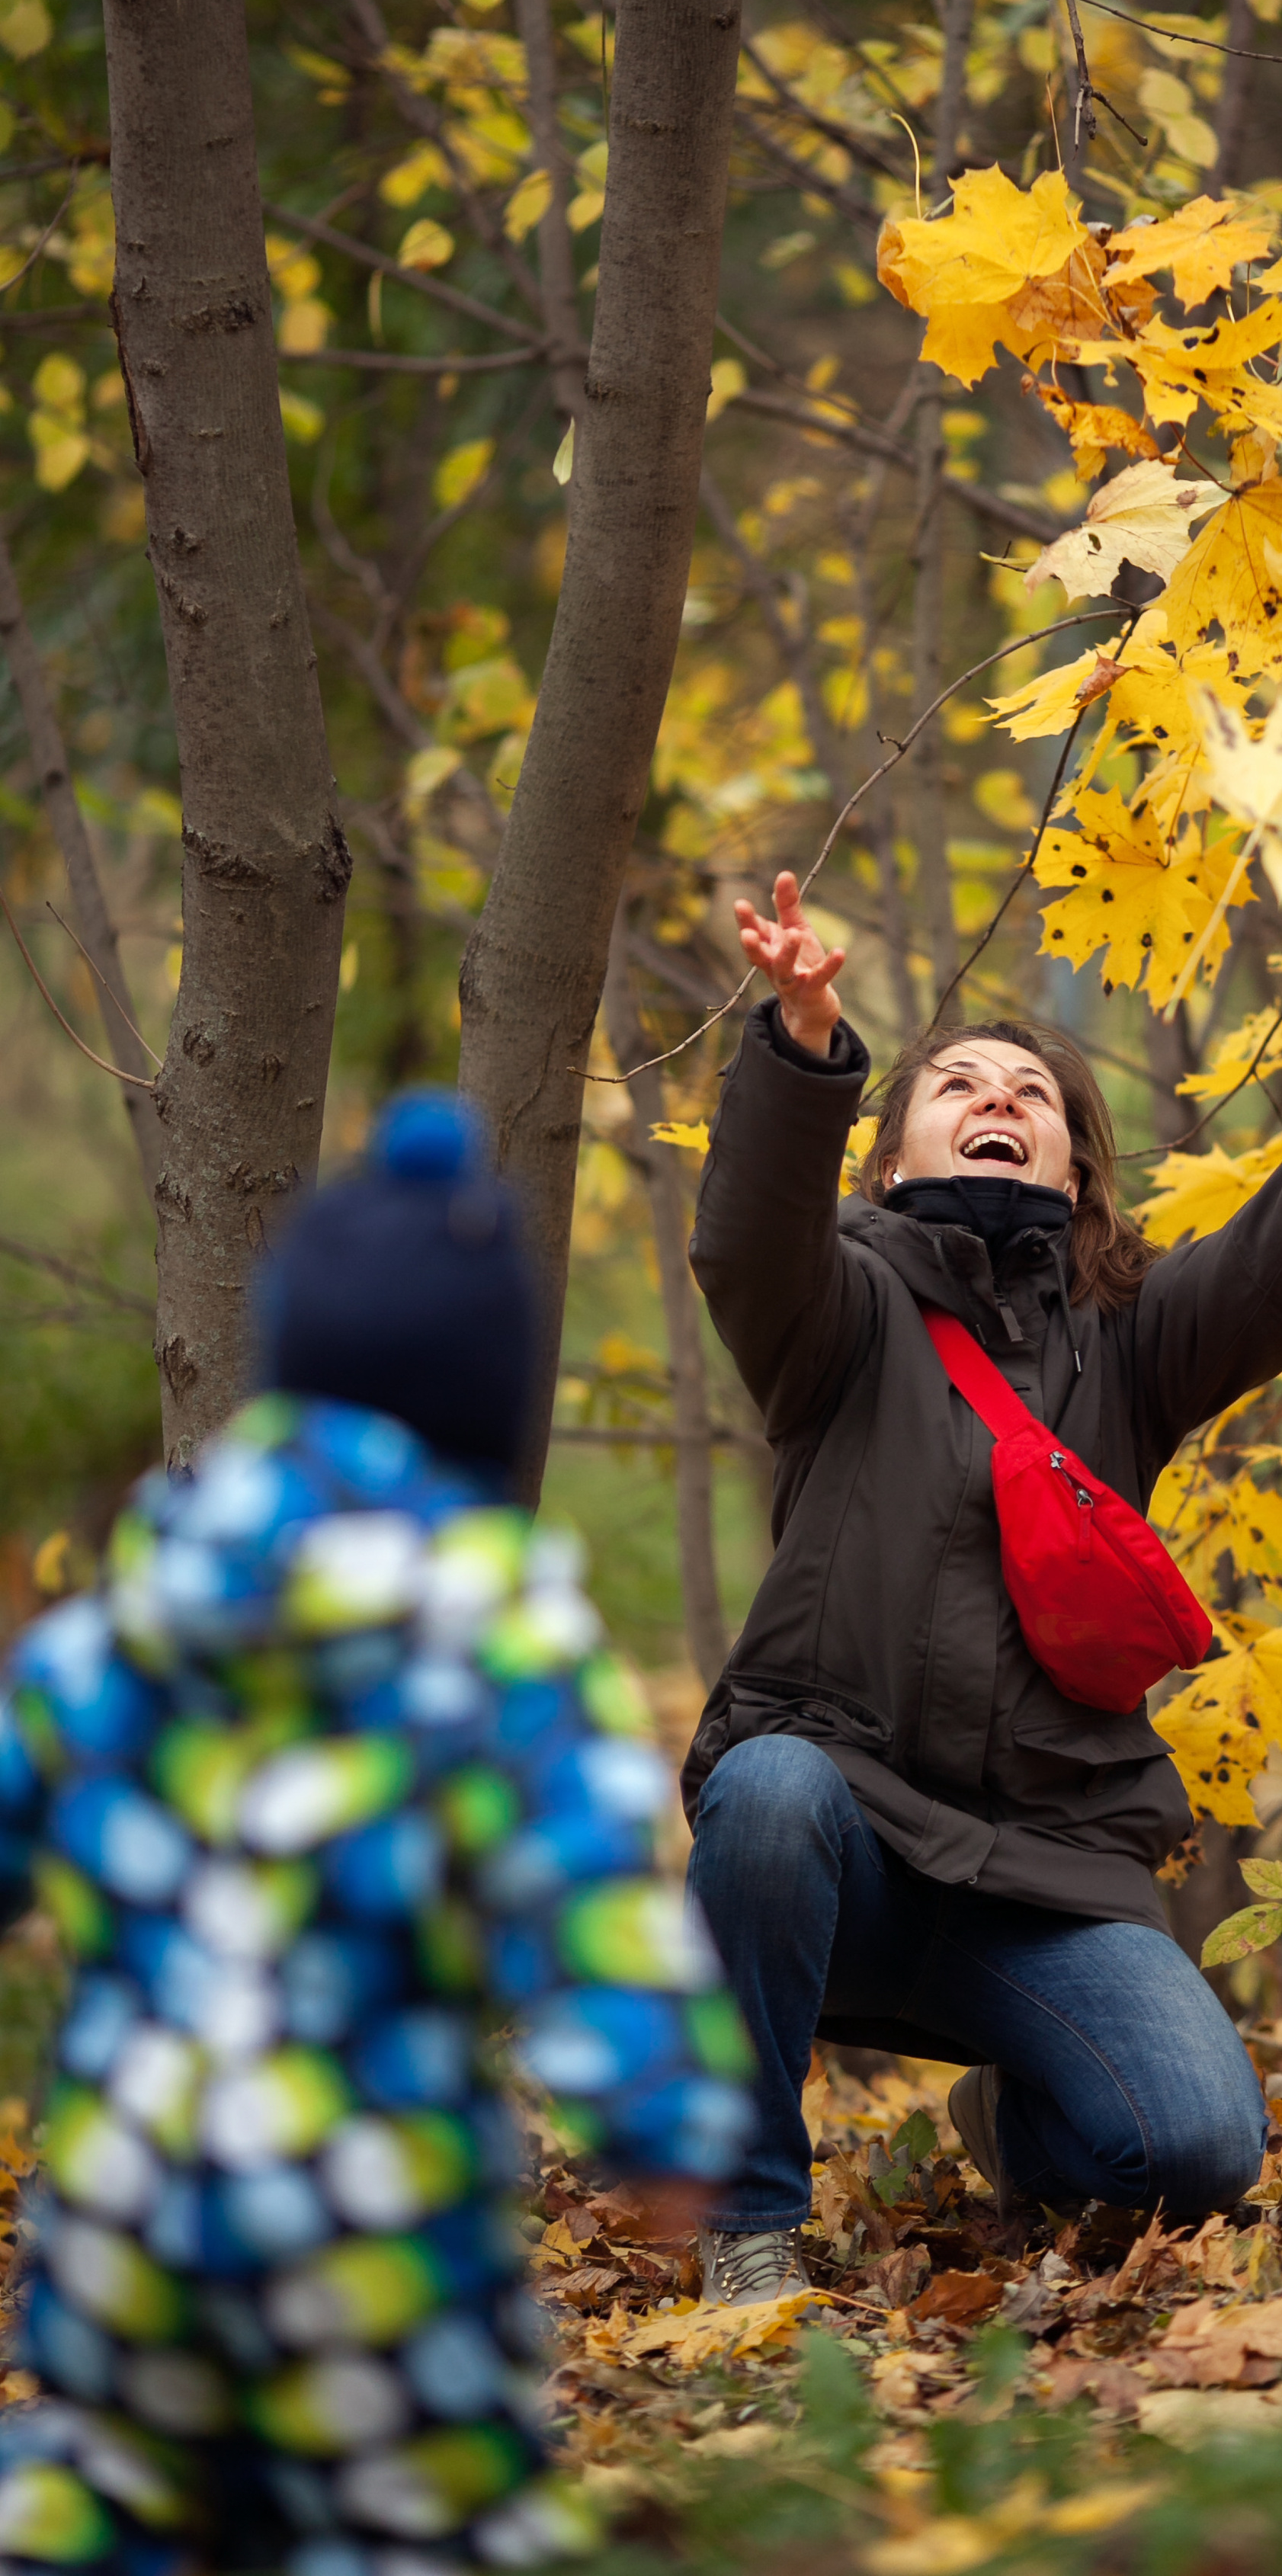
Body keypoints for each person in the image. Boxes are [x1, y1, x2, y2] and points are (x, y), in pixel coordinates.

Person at [682, 870, 1282, 2302]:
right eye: (957, 1082)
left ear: (1077, 1168)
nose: (998, 1099)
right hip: (843, 1853)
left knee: (1197, 2150)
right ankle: (749, 2227)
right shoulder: (837, 1310)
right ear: (890, 1157)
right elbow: (744, 1241)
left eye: (1033, 1092)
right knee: (768, 1791)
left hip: (1047, 1878)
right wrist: (806, 1046)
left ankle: (1016, 2109)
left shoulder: (1128, 1339)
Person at [0, 1094, 752, 2576]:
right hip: (365, 2225)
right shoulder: (491, 1636)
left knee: (111, 2476)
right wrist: (659, 2122)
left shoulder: (137, 1615)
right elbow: (587, 1895)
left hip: (121, 2209)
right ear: (483, 1403)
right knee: (419, 2508)